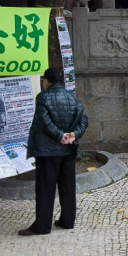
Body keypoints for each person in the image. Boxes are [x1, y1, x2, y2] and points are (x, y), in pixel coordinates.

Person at [19, 67, 89, 235]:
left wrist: (60, 136)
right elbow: (84, 120)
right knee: (68, 186)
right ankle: (67, 221)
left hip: (48, 151)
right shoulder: (73, 97)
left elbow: (44, 120)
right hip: (68, 150)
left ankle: (42, 226)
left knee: (45, 188)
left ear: (47, 81)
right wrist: (73, 135)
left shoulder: (43, 97)